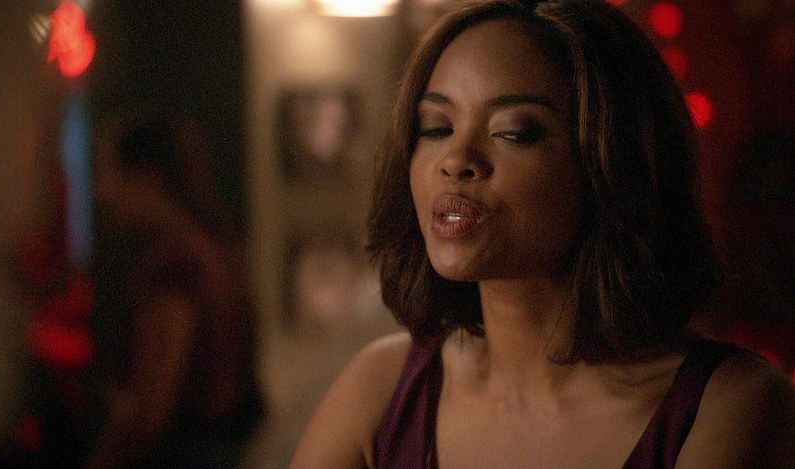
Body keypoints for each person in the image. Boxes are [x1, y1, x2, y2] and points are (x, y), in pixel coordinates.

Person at [289, 1, 795, 468]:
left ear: (610, 165)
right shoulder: (381, 389)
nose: (456, 159)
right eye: (437, 127)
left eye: (513, 132)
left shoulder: (728, 403)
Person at [85, 112, 263, 468]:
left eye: (108, 172)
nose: (101, 192)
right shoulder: (209, 246)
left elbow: (151, 405)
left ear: (148, 177)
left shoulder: (176, 263)